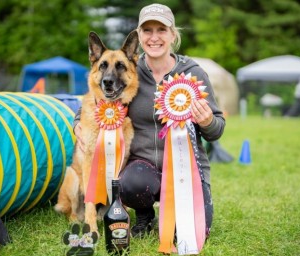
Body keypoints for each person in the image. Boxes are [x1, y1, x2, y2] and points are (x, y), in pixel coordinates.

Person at [73, 3, 225, 240]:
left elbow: (217, 129)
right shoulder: (130, 70)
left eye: (161, 30)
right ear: (139, 36)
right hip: (142, 168)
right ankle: (144, 214)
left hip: (186, 170)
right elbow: (97, 100)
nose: (154, 37)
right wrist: (77, 124)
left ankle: (178, 205)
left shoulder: (193, 73)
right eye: (147, 30)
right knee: (130, 183)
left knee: (195, 230)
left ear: (173, 34)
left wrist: (207, 122)